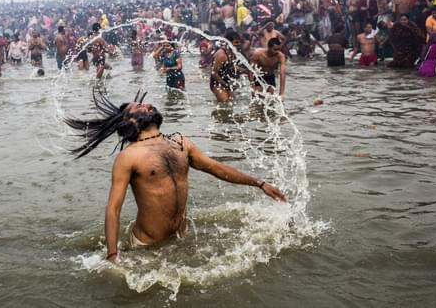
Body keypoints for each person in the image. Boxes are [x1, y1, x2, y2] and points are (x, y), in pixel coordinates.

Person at [63, 90, 286, 262]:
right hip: (147, 246)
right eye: (140, 107)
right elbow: (113, 209)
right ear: (129, 121)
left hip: (181, 235)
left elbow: (217, 168)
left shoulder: (180, 142)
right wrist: (113, 256)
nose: (148, 105)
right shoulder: (128, 156)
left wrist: (260, 183)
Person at [210, 30, 241, 102]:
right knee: (225, 102)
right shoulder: (221, 55)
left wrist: (245, 71)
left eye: (239, 42)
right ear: (228, 42)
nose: (238, 44)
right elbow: (213, 73)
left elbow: (231, 67)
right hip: (217, 83)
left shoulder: (232, 52)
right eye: (236, 42)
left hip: (227, 82)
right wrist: (225, 84)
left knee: (232, 102)